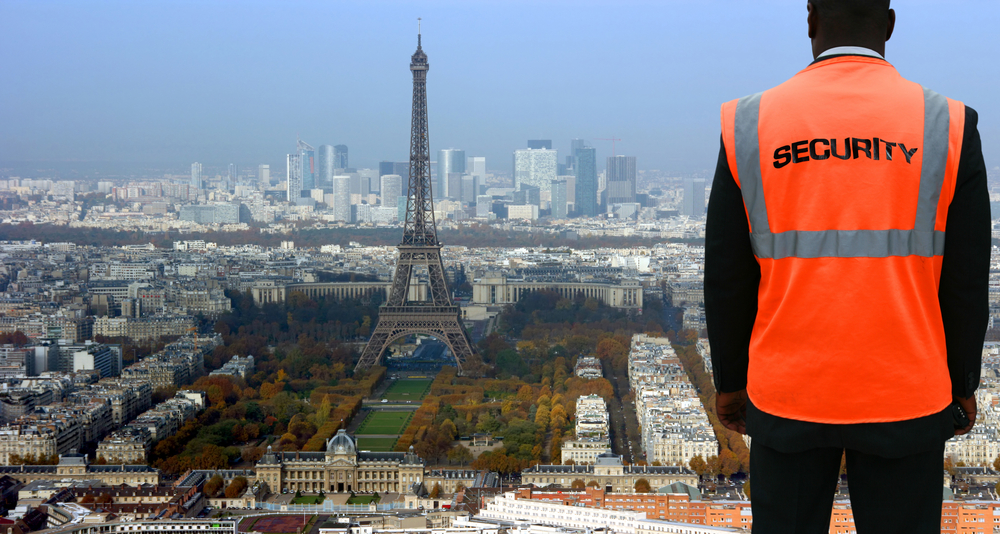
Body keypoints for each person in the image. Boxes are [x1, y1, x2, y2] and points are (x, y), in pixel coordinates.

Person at [703, 1, 989, 532]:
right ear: (889, 23)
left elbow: (726, 274)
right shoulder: (946, 123)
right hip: (906, 391)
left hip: (787, 391)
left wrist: (730, 380)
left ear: (810, 21)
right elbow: (968, 279)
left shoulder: (748, 123)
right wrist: (964, 381)